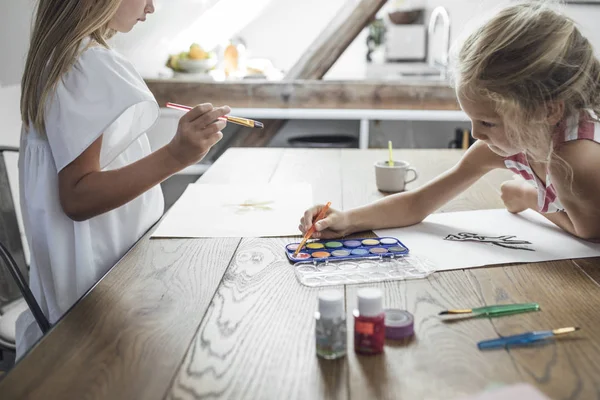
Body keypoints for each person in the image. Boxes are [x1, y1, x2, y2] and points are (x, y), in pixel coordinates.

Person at [17, 0, 229, 357]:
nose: (151, 7)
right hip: (103, 292)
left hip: (96, 281)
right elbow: (78, 197)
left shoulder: (63, 58)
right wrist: (176, 155)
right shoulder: (87, 64)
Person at [300, 2, 600, 243]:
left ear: (547, 113)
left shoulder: (576, 158)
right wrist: (347, 220)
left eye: (488, 122)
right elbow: (418, 203)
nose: (475, 133)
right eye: (471, 118)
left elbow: (588, 231)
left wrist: (526, 195)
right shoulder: (504, 144)